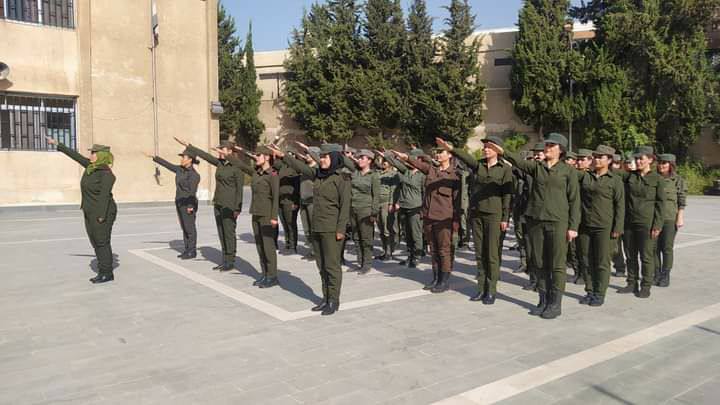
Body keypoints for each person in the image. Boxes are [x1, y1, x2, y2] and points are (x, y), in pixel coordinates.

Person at [487, 133, 580, 319]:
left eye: (551, 146)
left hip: (558, 222)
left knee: (557, 265)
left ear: (560, 150)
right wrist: (502, 150)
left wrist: (573, 226)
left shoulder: (568, 171)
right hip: (536, 221)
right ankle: (543, 298)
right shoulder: (537, 168)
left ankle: (555, 303)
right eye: (546, 145)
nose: (546, 148)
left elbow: (574, 200)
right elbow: (519, 162)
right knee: (538, 262)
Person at [272, 143, 351, 316]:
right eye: (321, 157)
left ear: (335, 158)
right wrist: (283, 156)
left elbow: (345, 207)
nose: (322, 159)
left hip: (331, 229)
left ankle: (333, 300)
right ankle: (325, 297)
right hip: (317, 227)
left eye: (325, 157)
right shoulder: (318, 175)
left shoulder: (341, 179)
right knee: (321, 265)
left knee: (332, 266)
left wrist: (340, 230)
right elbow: (300, 166)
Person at [439, 136, 513, 304]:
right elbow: (466, 157)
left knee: (492, 255)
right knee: (480, 254)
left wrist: (505, 217)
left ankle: (491, 290)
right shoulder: (478, 165)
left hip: (494, 216)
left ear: (497, 150)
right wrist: (451, 149)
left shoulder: (505, 169)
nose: (485, 149)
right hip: (477, 214)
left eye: (489, 147)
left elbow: (507, 195)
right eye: (484, 146)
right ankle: (481, 289)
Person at [392, 140, 460, 293]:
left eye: (441, 152)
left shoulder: (454, 176)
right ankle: (435, 277)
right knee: (433, 249)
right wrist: (406, 158)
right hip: (429, 216)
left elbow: (457, 201)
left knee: (444, 250)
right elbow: (420, 165)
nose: (438, 154)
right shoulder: (432, 171)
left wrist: (456, 221)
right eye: (437, 152)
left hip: (444, 218)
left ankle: (444, 280)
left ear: (449, 155)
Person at [47, 137, 117, 284]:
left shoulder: (106, 174)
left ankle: (107, 272)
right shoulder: (91, 167)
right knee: (94, 241)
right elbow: (75, 156)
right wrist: (58, 144)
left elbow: (104, 197)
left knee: (102, 241)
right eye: (91, 152)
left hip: (102, 212)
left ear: (102, 155)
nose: (91, 155)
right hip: (89, 210)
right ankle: (102, 269)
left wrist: (101, 216)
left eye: (93, 152)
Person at [177, 138, 244, 271]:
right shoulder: (220, 164)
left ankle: (230, 260)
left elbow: (239, 189)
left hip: (230, 205)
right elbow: (205, 156)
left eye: (222, 149)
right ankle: (224, 259)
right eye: (219, 149)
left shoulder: (236, 167)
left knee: (229, 232)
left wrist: (238, 208)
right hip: (218, 202)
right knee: (221, 232)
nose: (219, 151)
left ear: (230, 151)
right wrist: (190, 146)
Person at [576, 145, 625, 307]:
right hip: (585, 224)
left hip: (605, 226)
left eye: (601, 157)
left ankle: (600, 293)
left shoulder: (615, 180)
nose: (597, 159)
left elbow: (620, 205)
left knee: (602, 262)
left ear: (609, 160)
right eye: (595, 156)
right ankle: (590, 290)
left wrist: (617, 228)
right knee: (585, 259)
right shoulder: (585, 176)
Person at [617, 146, 665, 298]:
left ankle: (646, 285)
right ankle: (631, 283)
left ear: (650, 159)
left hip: (647, 223)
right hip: (629, 222)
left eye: (641, 158)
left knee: (646, 256)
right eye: (636, 158)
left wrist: (657, 225)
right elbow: (612, 173)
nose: (638, 161)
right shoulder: (629, 176)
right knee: (630, 255)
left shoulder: (657, 179)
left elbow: (661, 204)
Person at [231, 145, 280, 288]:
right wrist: (235, 151)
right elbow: (240, 164)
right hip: (256, 213)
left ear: (267, 157)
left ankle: (272, 276)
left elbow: (276, 197)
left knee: (268, 246)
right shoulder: (257, 173)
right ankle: (264, 274)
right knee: (259, 246)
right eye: (256, 155)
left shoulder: (273, 175)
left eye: (259, 155)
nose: (256, 158)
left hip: (267, 215)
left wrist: (274, 217)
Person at [145, 147, 201, 259]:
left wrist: (190, 206)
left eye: (184, 157)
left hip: (188, 204)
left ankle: (192, 251)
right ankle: (187, 249)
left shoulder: (194, 175)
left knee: (190, 228)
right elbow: (168, 165)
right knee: (184, 227)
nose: (181, 159)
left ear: (190, 160)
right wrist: (154, 157)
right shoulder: (180, 169)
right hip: (179, 202)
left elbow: (192, 192)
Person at [384, 149, 426, 269]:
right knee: (407, 234)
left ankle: (417, 256)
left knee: (416, 234)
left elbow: (425, 193)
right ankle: (410, 255)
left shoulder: (422, 175)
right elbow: (394, 162)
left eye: (412, 158)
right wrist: (388, 154)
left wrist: (424, 210)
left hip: (416, 208)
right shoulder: (406, 171)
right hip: (404, 207)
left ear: (419, 160)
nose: (408, 161)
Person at [344, 149, 381, 274]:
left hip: (366, 210)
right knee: (356, 237)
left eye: (362, 158)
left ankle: (367, 264)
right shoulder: (355, 173)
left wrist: (374, 213)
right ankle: (360, 262)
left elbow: (376, 196)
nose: (359, 160)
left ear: (369, 160)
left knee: (366, 238)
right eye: (358, 158)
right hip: (353, 208)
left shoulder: (374, 176)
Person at [655, 153, 686, 287]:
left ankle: (665, 274)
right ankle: (655, 273)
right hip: (654, 218)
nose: (661, 165)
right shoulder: (653, 178)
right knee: (653, 248)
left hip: (669, 218)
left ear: (671, 165)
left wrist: (680, 217)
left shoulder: (677, 180)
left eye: (664, 163)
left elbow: (681, 199)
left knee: (666, 248)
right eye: (660, 163)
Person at [375, 154, 400, 261]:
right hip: (377, 203)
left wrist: (391, 203)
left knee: (387, 228)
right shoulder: (378, 173)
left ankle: (389, 252)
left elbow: (394, 190)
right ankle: (384, 250)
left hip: (386, 203)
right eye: (383, 161)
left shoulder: (393, 174)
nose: (384, 162)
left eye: (386, 161)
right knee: (380, 228)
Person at [276, 152, 301, 253]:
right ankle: (287, 243)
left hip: (290, 200)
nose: (288, 155)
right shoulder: (282, 167)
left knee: (291, 223)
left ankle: (292, 246)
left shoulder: (295, 168)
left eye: (291, 154)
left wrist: (296, 202)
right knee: (284, 223)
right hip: (280, 199)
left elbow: (297, 186)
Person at [610, 153, 627, 277]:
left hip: (624, 214)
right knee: (614, 246)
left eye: (617, 163)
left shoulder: (625, 175)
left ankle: (623, 268)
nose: (615, 166)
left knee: (623, 246)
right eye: (613, 164)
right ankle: (619, 267)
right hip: (611, 214)